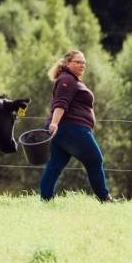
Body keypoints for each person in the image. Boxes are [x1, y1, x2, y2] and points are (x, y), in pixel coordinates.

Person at [40, 50, 117, 202]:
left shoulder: (71, 79)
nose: (82, 65)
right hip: (71, 128)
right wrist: (54, 123)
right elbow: (61, 103)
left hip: (64, 130)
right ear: (68, 63)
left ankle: (46, 199)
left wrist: (55, 126)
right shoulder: (67, 79)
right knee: (95, 159)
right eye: (78, 62)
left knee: (55, 164)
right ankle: (104, 198)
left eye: (84, 62)